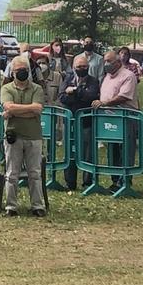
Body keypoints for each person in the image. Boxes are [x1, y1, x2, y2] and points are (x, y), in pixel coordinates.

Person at [0, 58, 46, 217]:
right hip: (13, 136)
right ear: (12, 73)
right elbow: (8, 106)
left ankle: (38, 206)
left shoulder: (37, 88)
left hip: (34, 136)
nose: (22, 72)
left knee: (35, 173)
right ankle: (11, 206)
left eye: (24, 69)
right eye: (18, 69)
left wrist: (14, 112)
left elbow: (38, 109)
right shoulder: (6, 88)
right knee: (12, 173)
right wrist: (28, 111)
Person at [95, 50, 139, 191]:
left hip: (126, 118)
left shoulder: (128, 76)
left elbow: (124, 96)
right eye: (105, 61)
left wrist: (105, 103)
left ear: (118, 62)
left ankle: (125, 181)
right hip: (110, 119)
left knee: (125, 150)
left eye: (109, 61)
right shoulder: (107, 76)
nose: (106, 64)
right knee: (113, 150)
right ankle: (115, 181)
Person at [59, 55, 100, 190]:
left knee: (88, 153)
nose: (82, 69)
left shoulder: (94, 81)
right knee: (69, 152)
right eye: (79, 67)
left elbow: (92, 96)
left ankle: (87, 183)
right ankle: (70, 182)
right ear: (73, 68)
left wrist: (75, 91)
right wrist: (79, 96)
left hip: (86, 122)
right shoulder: (68, 79)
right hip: (69, 122)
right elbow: (62, 97)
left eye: (84, 66)